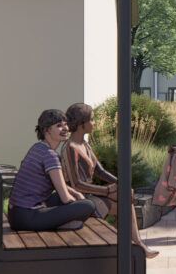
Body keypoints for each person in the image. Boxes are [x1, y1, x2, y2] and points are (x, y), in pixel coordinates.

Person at [61, 103, 158, 258]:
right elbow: (76, 184)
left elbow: (100, 171)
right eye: (91, 120)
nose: (94, 123)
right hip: (78, 198)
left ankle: (129, 244)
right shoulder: (69, 148)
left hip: (90, 194)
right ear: (81, 124)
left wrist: (122, 184)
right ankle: (130, 245)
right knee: (124, 206)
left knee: (126, 196)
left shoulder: (85, 145)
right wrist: (107, 191)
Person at [8, 110, 96, 232]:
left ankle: (63, 222)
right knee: (88, 206)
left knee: (68, 199)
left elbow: (59, 184)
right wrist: (78, 204)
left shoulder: (38, 148)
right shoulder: (50, 156)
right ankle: (62, 224)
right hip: (27, 217)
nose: (65, 128)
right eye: (59, 126)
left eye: (65, 124)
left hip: (15, 215)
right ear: (46, 130)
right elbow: (65, 198)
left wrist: (76, 194)